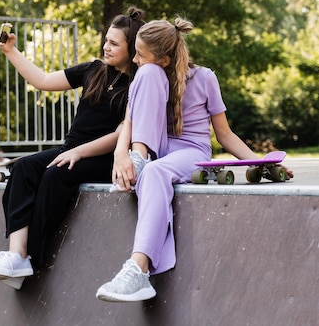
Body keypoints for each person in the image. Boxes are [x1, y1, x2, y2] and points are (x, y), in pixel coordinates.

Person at [96, 17, 294, 302]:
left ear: (164, 58)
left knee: (154, 174)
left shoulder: (204, 78)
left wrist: (262, 163)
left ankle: (138, 270)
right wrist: (121, 154)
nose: (135, 59)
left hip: (190, 151)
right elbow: (129, 120)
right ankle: (139, 159)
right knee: (146, 83)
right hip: (155, 148)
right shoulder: (150, 75)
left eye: (141, 54)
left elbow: (224, 135)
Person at [0, 6, 146, 288]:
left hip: (104, 157)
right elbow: (42, 81)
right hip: (71, 147)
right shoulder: (93, 70)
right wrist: (11, 52)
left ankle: (32, 258)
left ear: (132, 48)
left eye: (114, 44)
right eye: (106, 40)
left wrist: (79, 153)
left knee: (55, 175)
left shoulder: (138, 83)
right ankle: (16, 255)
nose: (106, 46)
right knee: (23, 168)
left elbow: (120, 135)